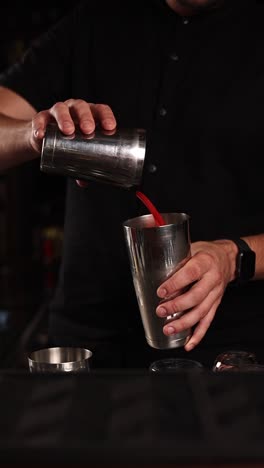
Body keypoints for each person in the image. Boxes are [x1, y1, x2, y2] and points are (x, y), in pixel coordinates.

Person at [0, 0, 264, 369]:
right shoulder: (96, 21)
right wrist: (33, 134)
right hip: (86, 347)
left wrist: (234, 256)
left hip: (227, 356)